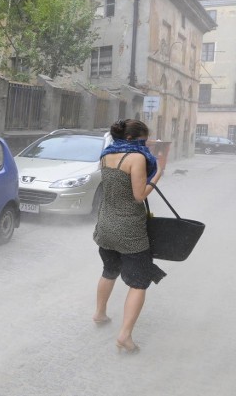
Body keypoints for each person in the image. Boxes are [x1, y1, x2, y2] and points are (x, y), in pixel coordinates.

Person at [92, 119, 166, 354]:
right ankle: (124, 336)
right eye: (145, 139)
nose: (147, 144)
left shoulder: (106, 154)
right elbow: (138, 195)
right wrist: (158, 174)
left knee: (109, 270)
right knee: (138, 282)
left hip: (105, 226)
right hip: (130, 231)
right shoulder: (137, 158)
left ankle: (100, 313)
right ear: (134, 139)